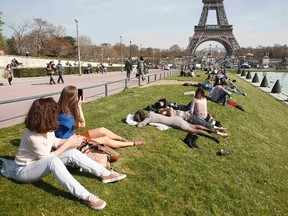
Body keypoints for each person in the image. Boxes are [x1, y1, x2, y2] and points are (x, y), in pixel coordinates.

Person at [0, 97, 127, 211]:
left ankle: (106, 174)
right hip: (24, 171)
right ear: (45, 116)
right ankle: (85, 196)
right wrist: (68, 143)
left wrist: (73, 140)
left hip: (39, 163)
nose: (56, 115)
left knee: (71, 152)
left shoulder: (46, 128)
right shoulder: (32, 137)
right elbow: (48, 159)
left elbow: (55, 142)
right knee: (54, 161)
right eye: (54, 113)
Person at [55, 85, 144, 148]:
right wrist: (79, 106)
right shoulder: (64, 116)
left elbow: (79, 124)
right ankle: (131, 144)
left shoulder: (64, 109)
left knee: (102, 130)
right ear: (72, 99)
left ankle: (122, 139)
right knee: (105, 139)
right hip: (69, 143)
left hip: (73, 137)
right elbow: (82, 124)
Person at [133, 110, 220, 143]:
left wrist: (137, 123)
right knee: (195, 126)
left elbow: (141, 125)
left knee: (194, 130)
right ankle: (211, 130)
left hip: (176, 123)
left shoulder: (148, 118)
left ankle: (212, 137)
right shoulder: (151, 113)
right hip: (176, 118)